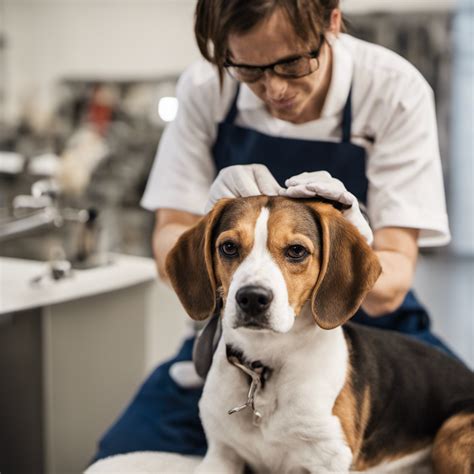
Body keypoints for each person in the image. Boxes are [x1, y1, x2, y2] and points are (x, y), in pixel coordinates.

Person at [92, 0, 456, 463]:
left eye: (292, 63)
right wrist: (209, 231)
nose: (275, 89)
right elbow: (169, 237)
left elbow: (393, 281)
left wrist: (347, 244)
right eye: (248, 69)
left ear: (332, 22)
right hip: (237, 339)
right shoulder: (206, 87)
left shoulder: (393, 90)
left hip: (369, 325)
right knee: (118, 455)